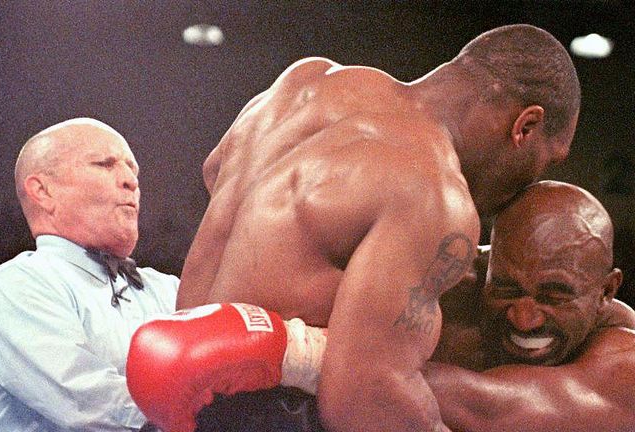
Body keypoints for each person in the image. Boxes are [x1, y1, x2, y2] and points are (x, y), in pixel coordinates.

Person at [128, 24, 580, 432]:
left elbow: (215, 169)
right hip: (275, 416)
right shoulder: (436, 194)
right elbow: (364, 402)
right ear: (526, 126)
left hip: (175, 403)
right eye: (544, 162)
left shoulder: (305, 81)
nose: (531, 182)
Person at [0, 118, 179, 431]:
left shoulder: (166, 288)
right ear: (43, 191)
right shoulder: (18, 285)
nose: (131, 181)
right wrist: (199, 415)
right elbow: (91, 405)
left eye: (133, 170)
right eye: (105, 164)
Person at [421, 180, 635, 431]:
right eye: (507, 290)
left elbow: (494, 413)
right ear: (489, 265)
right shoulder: (447, 283)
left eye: (554, 298)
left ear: (606, 291)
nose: (523, 319)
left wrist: (388, 367)